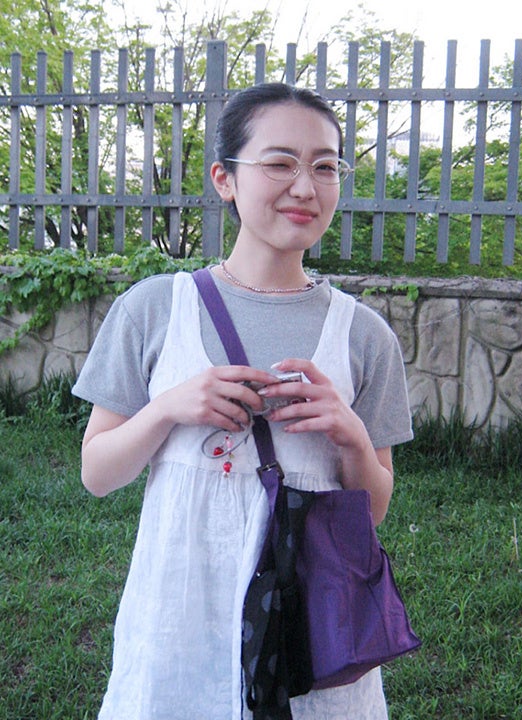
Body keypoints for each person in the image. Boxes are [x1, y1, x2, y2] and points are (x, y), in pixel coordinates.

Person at [73, 82, 413, 720]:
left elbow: (372, 511)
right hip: (179, 622)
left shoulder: (364, 336)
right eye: (280, 163)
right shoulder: (155, 309)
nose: (305, 187)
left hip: (309, 634)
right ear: (225, 179)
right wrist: (169, 407)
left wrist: (350, 436)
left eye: (326, 166)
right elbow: (98, 473)